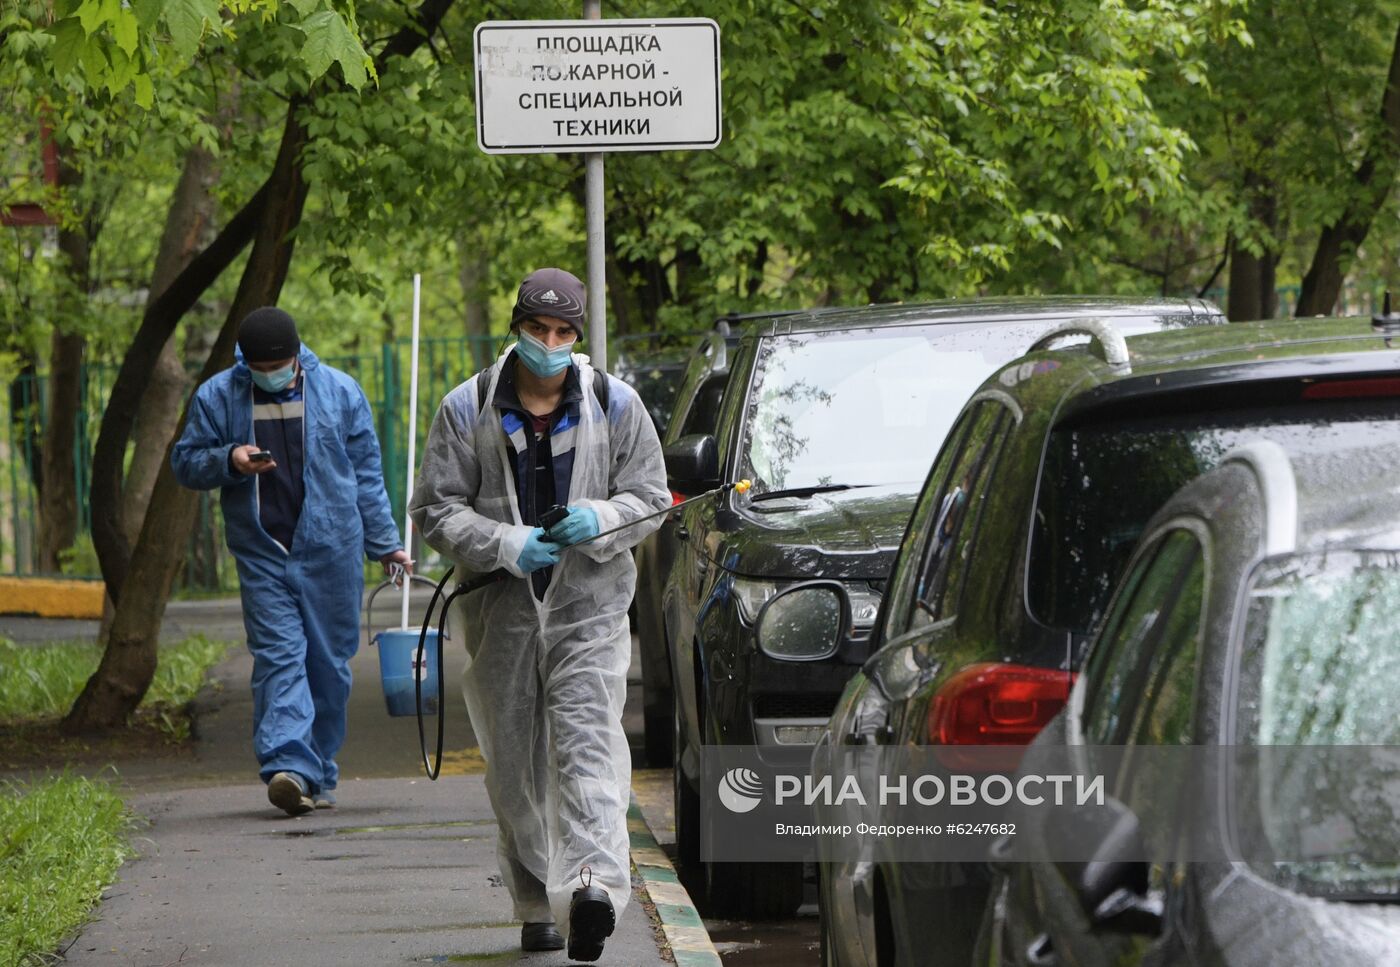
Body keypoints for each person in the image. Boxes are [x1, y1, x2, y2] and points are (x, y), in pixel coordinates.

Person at [409, 267, 669, 961]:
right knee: (514, 764)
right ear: (516, 327)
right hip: (503, 610)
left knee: (587, 744)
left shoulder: (616, 404)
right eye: (537, 329)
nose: (549, 344)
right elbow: (433, 508)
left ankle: (589, 889)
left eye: (562, 332)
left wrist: (603, 516)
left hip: (589, 608)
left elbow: (650, 496)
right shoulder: (467, 409)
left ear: (577, 336)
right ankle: (534, 901)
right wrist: (503, 542)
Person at [172, 306, 411, 816]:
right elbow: (185, 462)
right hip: (263, 551)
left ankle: (314, 770)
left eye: (279, 366)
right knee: (280, 658)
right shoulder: (219, 396)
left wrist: (385, 542)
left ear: (298, 356)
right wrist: (230, 458)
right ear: (246, 363)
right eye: (260, 369)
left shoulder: (340, 392)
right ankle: (288, 767)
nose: (271, 375)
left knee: (328, 666)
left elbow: (366, 474)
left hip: (332, 547)